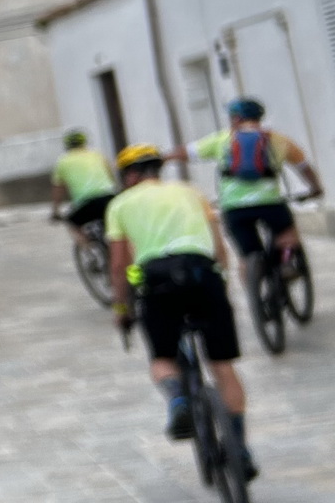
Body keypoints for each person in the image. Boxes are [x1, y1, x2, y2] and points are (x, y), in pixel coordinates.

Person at [107, 144, 256, 479]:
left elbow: (119, 266)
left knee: (162, 358)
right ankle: (241, 450)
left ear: (130, 175)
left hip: (157, 282)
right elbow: (219, 248)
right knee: (223, 366)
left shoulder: (120, 205)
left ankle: (177, 401)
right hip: (203, 275)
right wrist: (221, 285)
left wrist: (122, 308)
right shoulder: (191, 192)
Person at [174, 98, 325, 280]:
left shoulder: (222, 139)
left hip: (234, 207)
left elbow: (185, 152)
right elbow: (303, 167)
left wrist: (161, 157)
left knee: (247, 255)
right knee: (287, 234)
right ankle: (285, 262)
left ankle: (253, 286)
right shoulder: (278, 140)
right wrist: (315, 188)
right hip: (270, 204)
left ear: (237, 119)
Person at [50, 129, 119, 243]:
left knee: (72, 223)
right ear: (84, 142)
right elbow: (111, 176)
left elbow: (58, 189)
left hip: (86, 203)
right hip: (109, 196)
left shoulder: (63, 162)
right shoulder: (98, 155)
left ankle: (90, 251)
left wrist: (55, 211)